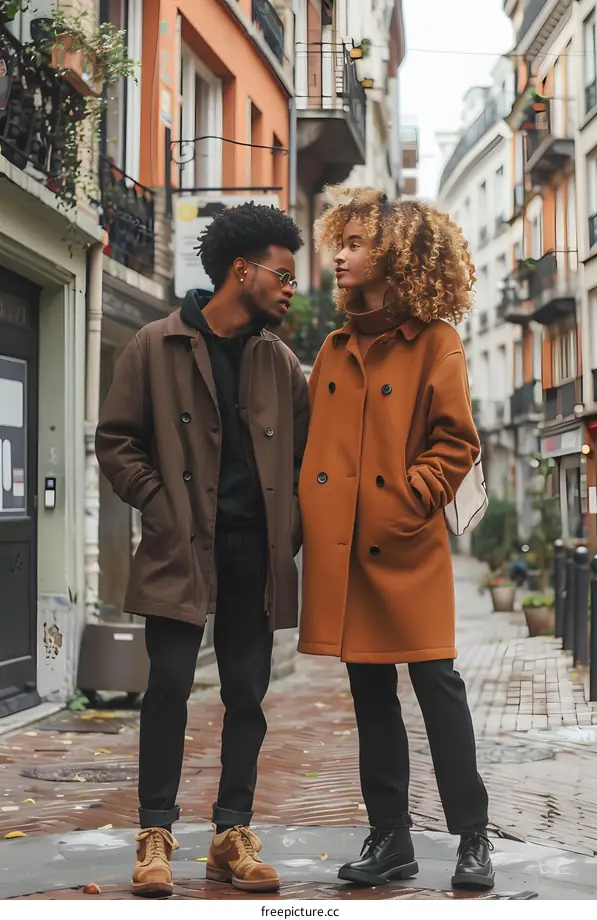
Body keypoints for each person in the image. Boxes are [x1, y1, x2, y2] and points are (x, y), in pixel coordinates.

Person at [96, 202, 308, 897]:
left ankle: (231, 835)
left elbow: (307, 461)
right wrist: (159, 505)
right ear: (241, 271)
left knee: (247, 696)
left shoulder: (281, 364)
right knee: (168, 690)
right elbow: (117, 441)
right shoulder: (154, 346)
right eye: (281, 274)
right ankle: (155, 834)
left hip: (255, 555)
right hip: (180, 546)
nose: (289, 287)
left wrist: (293, 529)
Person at [298, 188, 494, 891]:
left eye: (355, 243)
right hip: (347, 554)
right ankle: (391, 840)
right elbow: (310, 445)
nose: (340, 255)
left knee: (440, 689)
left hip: (406, 547)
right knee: (370, 695)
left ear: (395, 254)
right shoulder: (333, 346)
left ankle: (474, 837)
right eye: (340, 242)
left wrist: (408, 498)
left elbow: (455, 443)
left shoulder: (435, 341)